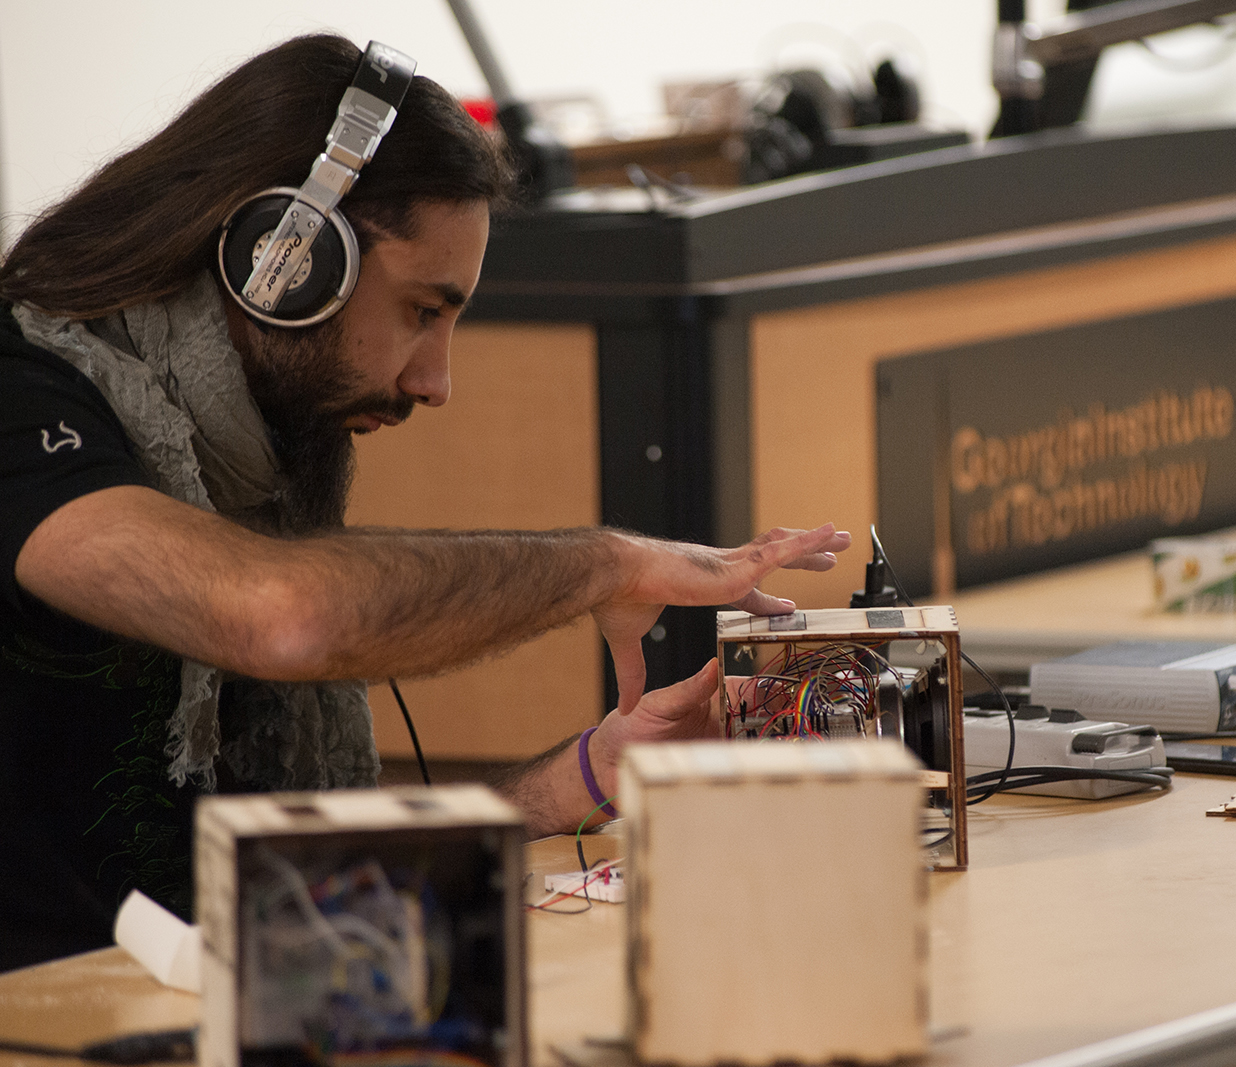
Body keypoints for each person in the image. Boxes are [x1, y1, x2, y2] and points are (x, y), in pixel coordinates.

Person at [0, 34, 850, 971]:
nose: (437, 381)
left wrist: (579, 778)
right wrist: (601, 564)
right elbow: (284, 615)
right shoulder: (23, 396)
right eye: (421, 311)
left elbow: (299, 870)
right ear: (283, 260)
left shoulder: (247, 461)